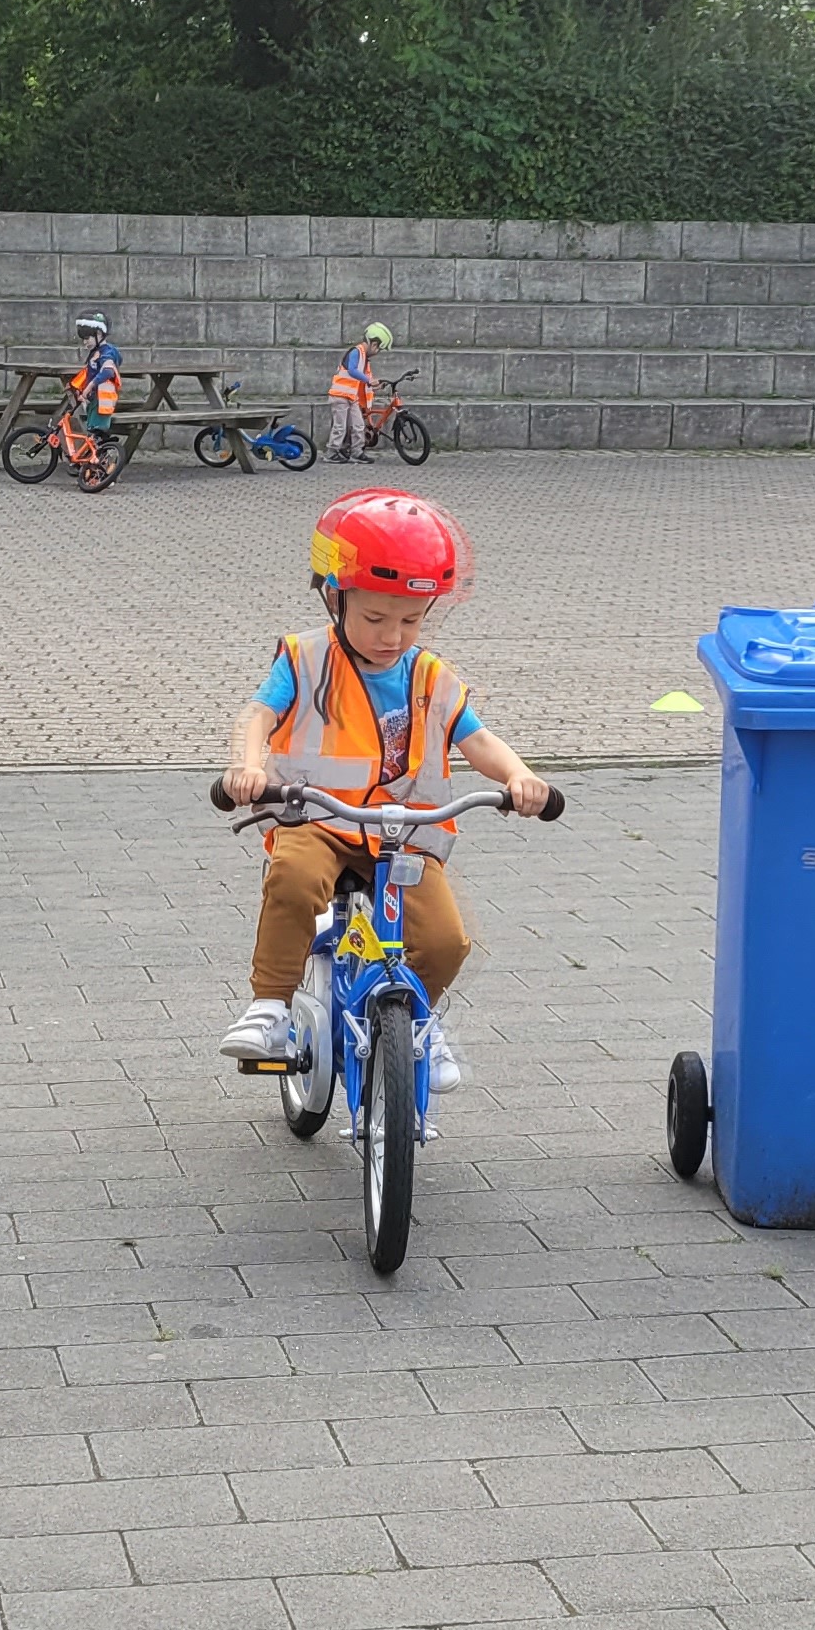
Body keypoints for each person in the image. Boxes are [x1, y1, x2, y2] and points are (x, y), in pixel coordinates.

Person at [218, 489, 551, 1086]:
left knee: (445, 941)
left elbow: (478, 739)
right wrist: (248, 767)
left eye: (411, 620)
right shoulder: (305, 659)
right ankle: (270, 1006)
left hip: (403, 834)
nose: (393, 635)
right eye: (374, 618)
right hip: (316, 819)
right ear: (335, 597)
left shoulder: (431, 676)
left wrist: (519, 777)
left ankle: (418, 1022)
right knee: (293, 879)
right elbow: (259, 715)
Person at [61, 311, 124, 474]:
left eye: (87, 338)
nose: (85, 342)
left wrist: (89, 387)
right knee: (93, 433)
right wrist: (76, 386)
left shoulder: (107, 352)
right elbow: (88, 373)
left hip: (102, 400)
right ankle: (92, 469)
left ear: (99, 334)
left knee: (97, 435)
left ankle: (103, 472)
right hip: (94, 400)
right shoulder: (96, 352)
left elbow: (107, 371)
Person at [326, 321, 391, 463]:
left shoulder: (364, 358)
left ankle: (357, 451)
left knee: (358, 425)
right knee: (340, 426)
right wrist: (369, 380)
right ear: (374, 344)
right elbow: (352, 370)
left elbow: (361, 380)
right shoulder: (356, 351)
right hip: (340, 395)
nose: (377, 352)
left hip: (351, 396)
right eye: (379, 349)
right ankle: (332, 452)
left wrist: (374, 385)